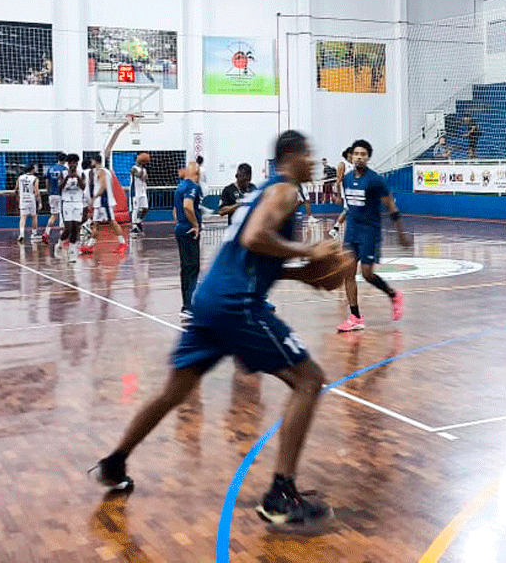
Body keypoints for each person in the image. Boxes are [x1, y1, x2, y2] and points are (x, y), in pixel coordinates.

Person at [91, 131, 342, 528]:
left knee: (173, 392)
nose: (312, 161)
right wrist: (309, 250)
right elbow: (255, 238)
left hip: (209, 300)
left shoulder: (260, 194)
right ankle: (281, 494)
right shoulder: (285, 191)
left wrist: (301, 275)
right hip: (237, 304)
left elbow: (249, 255)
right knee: (309, 380)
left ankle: (114, 462)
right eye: (308, 154)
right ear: (290, 157)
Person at [336, 139, 412, 332]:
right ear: (351, 156)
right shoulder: (346, 179)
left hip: (369, 232)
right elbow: (344, 204)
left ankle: (393, 295)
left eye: (363, 154)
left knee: (367, 274)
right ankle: (355, 317)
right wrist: (337, 183)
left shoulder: (375, 180)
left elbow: (391, 207)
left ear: (368, 157)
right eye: (356, 154)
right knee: (348, 273)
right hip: (352, 231)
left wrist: (401, 234)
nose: (359, 157)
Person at [80, 154, 128, 254]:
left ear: (95, 161)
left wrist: (94, 197)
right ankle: (90, 246)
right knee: (96, 224)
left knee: (112, 222)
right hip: (99, 203)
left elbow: (103, 186)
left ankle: (122, 243)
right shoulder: (101, 171)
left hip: (104, 202)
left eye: (92, 161)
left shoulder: (102, 171)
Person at [174, 161, 203, 321]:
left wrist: (179, 223)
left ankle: (187, 304)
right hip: (188, 231)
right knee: (192, 267)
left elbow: (175, 210)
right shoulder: (192, 186)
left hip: (181, 229)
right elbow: (187, 206)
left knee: (186, 268)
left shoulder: (180, 186)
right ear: (196, 173)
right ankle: (188, 306)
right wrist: (195, 225)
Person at [59, 154, 86, 261]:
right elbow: (59, 188)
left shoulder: (81, 174)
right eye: (71, 162)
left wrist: (77, 177)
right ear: (68, 163)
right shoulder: (63, 174)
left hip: (78, 202)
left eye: (76, 162)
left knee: (76, 227)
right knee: (68, 228)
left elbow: (83, 187)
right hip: (67, 202)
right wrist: (67, 178)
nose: (74, 164)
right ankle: (59, 243)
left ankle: (72, 251)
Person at [41, 152, 67, 245]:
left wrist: (49, 192)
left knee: (53, 215)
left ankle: (47, 232)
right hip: (61, 195)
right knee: (62, 216)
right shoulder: (64, 169)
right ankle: (62, 237)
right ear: (65, 160)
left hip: (52, 194)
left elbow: (47, 181)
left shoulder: (51, 168)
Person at [329, 146, 352, 240]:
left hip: (354, 191)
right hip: (346, 192)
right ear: (348, 155)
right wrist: (338, 196)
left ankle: (335, 228)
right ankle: (335, 229)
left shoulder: (354, 165)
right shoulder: (343, 164)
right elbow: (338, 181)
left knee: (348, 210)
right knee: (347, 209)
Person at [16, 164, 41, 242]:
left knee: (23, 217)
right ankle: (34, 234)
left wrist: (18, 197)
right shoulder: (35, 178)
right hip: (31, 199)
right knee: (34, 216)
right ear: (32, 169)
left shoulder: (20, 178)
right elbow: (36, 191)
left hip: (23, 199)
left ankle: (21, 234)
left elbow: (16, 189)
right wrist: (40, 202)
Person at [129, 153, 150, 236]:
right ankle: (134, 227)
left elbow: (146, 178)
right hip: (135, 192)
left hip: (143, 191)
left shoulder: (144, 169)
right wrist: (141, 169)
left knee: (145, 208)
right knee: (135, 209)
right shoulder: (133, 168)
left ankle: (138, 221)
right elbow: (138, 175)